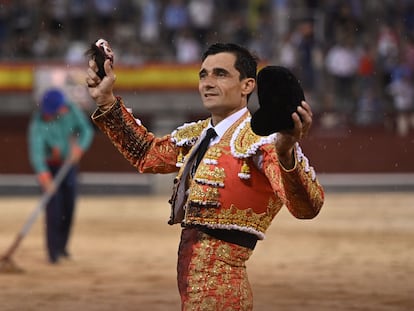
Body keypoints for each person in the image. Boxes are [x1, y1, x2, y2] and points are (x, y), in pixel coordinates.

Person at [86, 42, 324, 310]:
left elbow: (307, 208)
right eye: (203, 75)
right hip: (195, 288)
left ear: (247, 85)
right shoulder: (199, 135)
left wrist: (286, 153)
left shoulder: (262, 142)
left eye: (220, 74)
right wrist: (106, 99)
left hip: (223, 291)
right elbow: (147, 154)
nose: (208, 83)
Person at [28, 88, 94, 264]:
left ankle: (63, 247)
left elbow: (87, 131)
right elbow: (36, 153)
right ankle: (53, 253)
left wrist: (79, 148)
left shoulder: (71, 110)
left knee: (68, 207)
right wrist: (44, 178)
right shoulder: (38, 123)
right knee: (54, 210)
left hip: (69, 165)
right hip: (50, 168)